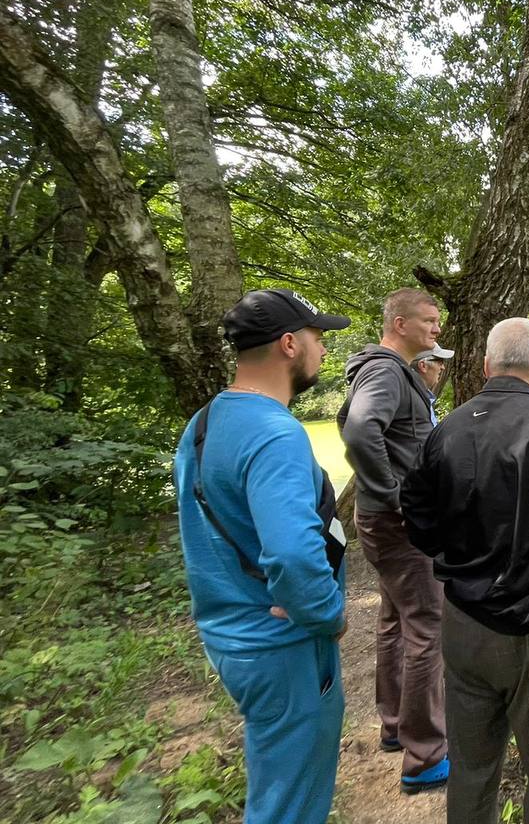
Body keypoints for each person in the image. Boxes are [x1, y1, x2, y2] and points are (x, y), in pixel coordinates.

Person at [400, 317, 529, 824]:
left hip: (463, 624)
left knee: (471, 770)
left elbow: (415, 509)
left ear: (486, 365)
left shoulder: (449, 427)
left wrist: (454, 559)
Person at [174, 288, 351, 824]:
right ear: (289, 344)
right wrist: (327, 614)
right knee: (290, 804)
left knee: (277, 782)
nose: (324, 348)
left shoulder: (204, 422)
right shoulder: (275, 434)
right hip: (283, 646)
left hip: (231, 636)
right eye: (319, 336)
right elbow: (293, 555)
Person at [337, 287, 450, 793]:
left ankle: (395, 725)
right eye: (429, 320)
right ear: (400, 324)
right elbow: (361, 429)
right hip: (399, 525)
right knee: (427, 624)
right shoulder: (385, 370)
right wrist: (397, 496)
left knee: (395, 619)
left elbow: (356, 422)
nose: (437, 329)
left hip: (385, 522)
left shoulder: (390, 372)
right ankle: (426, 757)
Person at [411, 342, 455, 424]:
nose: (443, 367)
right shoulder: (411, 400)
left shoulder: (422, 396)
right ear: (423, 366)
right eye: (440, 362)